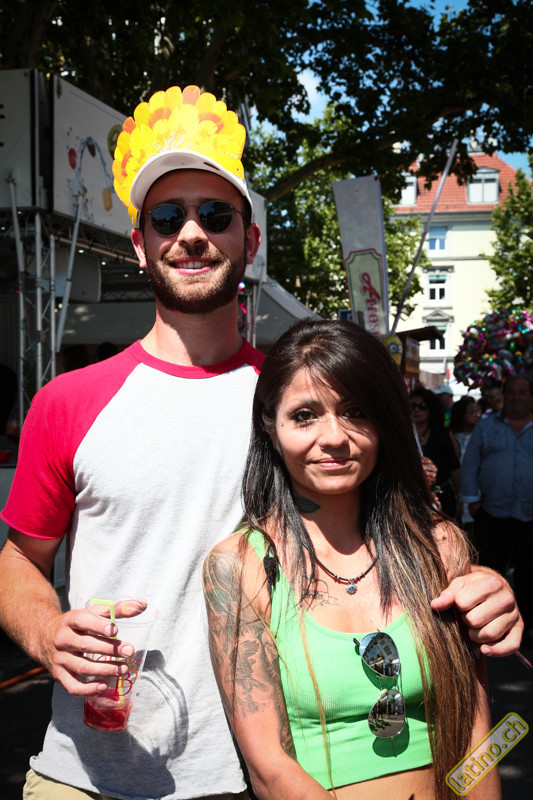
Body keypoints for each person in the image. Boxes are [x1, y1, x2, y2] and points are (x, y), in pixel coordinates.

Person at [0, 83, 522, 800]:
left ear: (250, 240)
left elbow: (401, 529)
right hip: (88, 773)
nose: (191, 233)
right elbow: (18, 560)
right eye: (167, 217)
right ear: (140, 244)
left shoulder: (303, 403)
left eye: (215, 215)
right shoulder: (69, 401)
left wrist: (478, 583)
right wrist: (47, 632)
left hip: (257, 778)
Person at [203, 319, 501, 800]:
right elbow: (268, 768)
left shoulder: (439, 545)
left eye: (356, 411)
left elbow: (475, 732)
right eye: (304, 415)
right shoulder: (240, 566)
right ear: (271, 427)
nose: (334, 437)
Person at [462, 375, 533, 645]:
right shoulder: (486, 426)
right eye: (511, 392)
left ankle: (526, 628)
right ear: (505, 396)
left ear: (530, 397)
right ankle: (490, 627)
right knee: (490, 573)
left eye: (522, 392)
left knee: (529, 575)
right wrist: (472, 502)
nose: (516, 397)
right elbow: (471, 464)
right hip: (492, 513)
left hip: (530, 516)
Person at [410, 387, 461, 519]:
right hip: (411, 498)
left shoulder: (442, 434)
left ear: (431, 410)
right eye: (413, 405)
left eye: (422, 406)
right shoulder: (403, 435)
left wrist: (461, 497)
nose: (416, 410)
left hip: (441, 496)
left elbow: (454, 467)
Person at [450, 396, 482, 531]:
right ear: (461, 414)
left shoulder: (481, 435)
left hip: (477, 487)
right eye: (471, 412)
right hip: (458, 487)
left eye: (477, 412)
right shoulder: (451, 437)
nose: (476, 416)